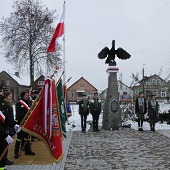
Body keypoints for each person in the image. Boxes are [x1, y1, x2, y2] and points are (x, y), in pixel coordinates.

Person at [0, 86, 20, 170]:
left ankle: (1, 167)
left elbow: (6, 119)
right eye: (1, 91)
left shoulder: (3, 103)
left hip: (4, 130)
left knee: (2, 148)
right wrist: (5, 134)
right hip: (2, 131)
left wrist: (14, 125)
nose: (2, 93)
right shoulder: (3, 103)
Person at [14, 91, 35, 159]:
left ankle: (27, 150)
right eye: (26, 95)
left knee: (27, 137)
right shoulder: (18, 104)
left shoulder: (28, 103)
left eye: (27, 95)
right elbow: (19, 114)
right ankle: (16, 152)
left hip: (27, 123)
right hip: (21, 123)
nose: (27, 96)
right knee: (19, 138)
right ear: (22, 96)